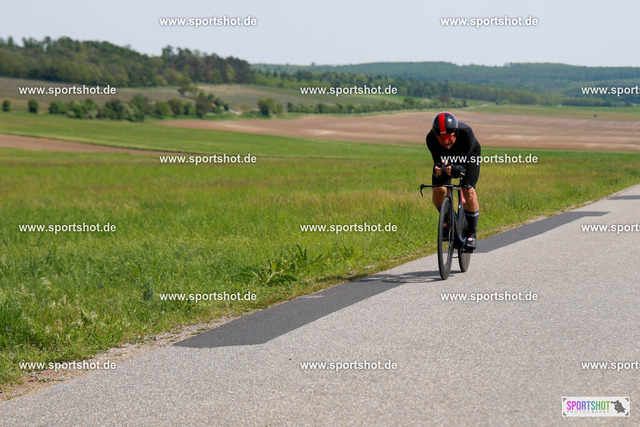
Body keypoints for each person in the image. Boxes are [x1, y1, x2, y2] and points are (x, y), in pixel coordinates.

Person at [426, 111, 480, 249]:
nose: (445, 142)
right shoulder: (430, 139)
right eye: (441, 138)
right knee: (438, 190)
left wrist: (455, 169)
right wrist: (439, 169)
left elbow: (464, 168)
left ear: (455, 133)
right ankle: (448, 220)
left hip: (469, 157)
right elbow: (438, 162)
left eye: (448, 138)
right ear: (436, 136)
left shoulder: (466, 134)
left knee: (468, 189)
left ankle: (472, 234)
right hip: (447, 158)